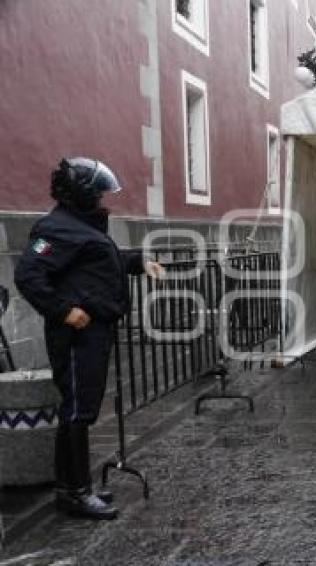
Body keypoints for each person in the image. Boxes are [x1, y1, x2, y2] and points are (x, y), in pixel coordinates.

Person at [14, 157, 163, 520]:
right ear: (80, 192)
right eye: (96, 191)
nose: (101, 197)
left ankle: (74, 488)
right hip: (76, 333)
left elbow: (97, 261)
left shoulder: (81, 226)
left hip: (93, 331)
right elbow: (28, 275)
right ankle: (75, 493)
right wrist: (64, 310)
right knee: (78, 409)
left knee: (82, 408)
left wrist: (139, 261)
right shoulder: (54, 229)